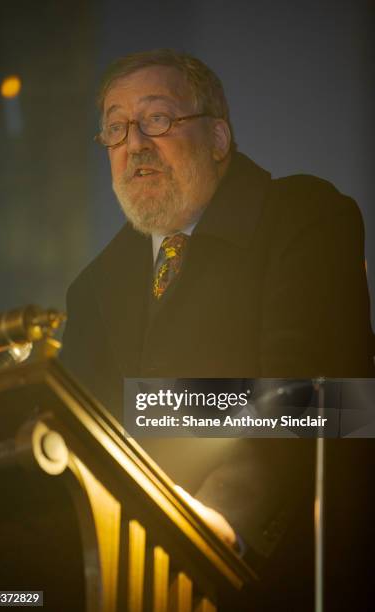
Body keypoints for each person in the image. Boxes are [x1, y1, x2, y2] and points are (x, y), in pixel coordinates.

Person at [60, 49, 374, 608]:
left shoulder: (306, 215)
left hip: (284, 574)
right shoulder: (92, 289)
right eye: (115, 128)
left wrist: (147, 411)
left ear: (219, 139)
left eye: (157, 119)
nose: (134, 143)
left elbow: (328, 404)